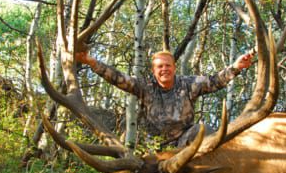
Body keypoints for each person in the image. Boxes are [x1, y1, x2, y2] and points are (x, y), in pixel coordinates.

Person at [76, 50, 254, 147]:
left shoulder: (189, 83)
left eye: (168, 65)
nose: (164, 69)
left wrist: (236, 67)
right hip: (154, 146)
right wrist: (92, 62)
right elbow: (118, 78)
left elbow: (215, 81)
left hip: (184, 143)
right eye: (160, 67)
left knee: (203, 130)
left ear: (174, 68)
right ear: (154, 71)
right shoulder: (145, 87)